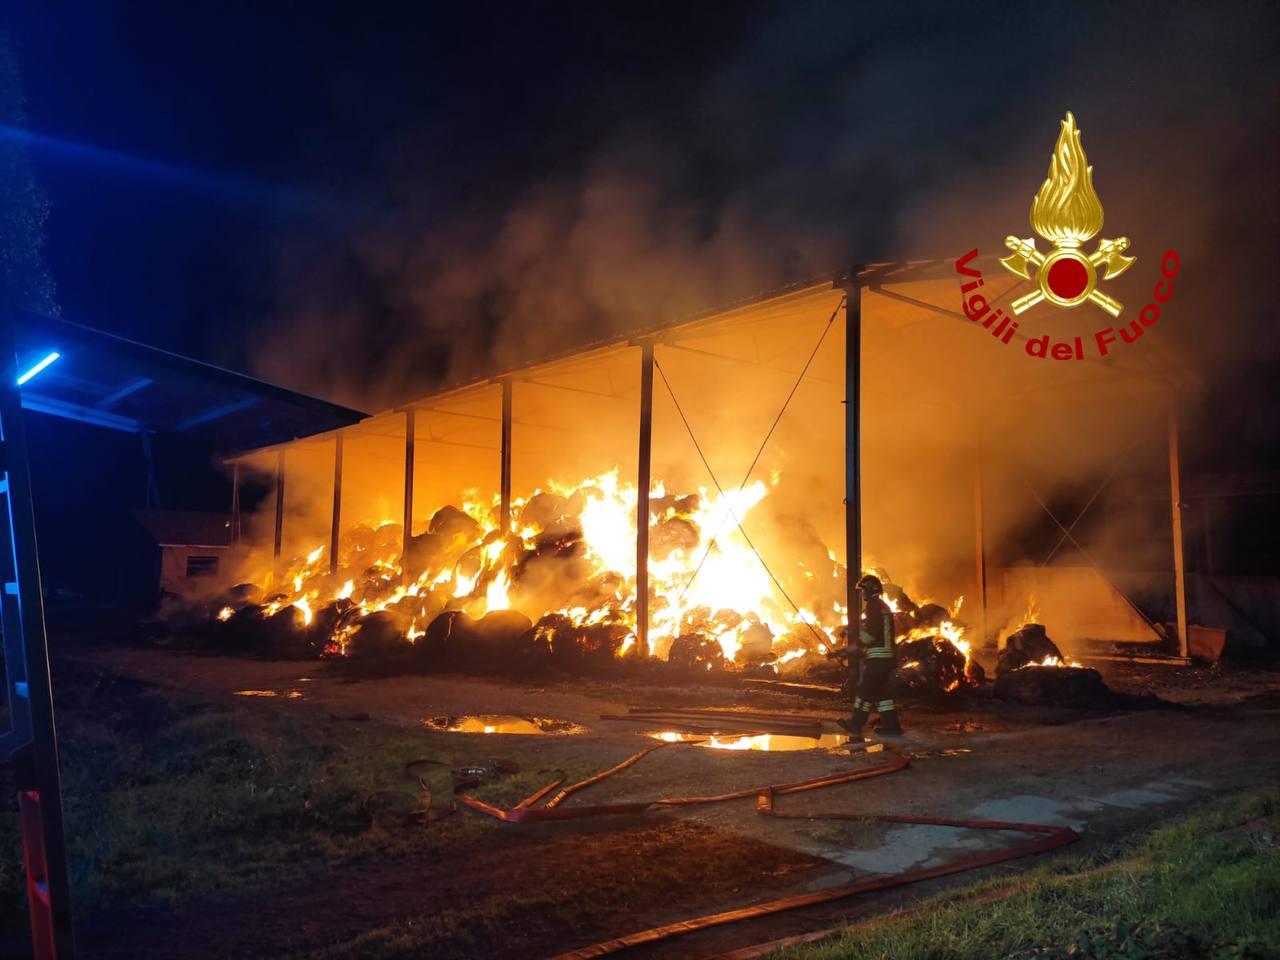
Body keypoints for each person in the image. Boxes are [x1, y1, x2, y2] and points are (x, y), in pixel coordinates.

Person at [837, 573, 902, 739]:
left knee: (864, 691)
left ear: (869, 590)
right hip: (885, 659)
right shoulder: (880, 606)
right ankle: (892, 727)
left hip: (879, 660)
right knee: (882, 695)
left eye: (862, 590)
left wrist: (850, 649)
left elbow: (870, 635)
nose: (862, 594)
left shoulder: (874, 607)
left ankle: (855, 724)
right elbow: (869, 627)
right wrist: (849, 630)